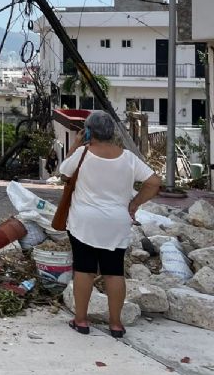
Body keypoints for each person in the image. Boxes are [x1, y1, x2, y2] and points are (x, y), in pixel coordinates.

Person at [59, 110, 161, 338]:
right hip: (117, 222)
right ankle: (116, 324)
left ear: (88, 132)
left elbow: (64, 173)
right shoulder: (127, 158)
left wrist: (75, 145)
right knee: (114, 272)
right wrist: (134, 204)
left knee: (84, 270)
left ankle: (81, 320)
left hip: (85, 222)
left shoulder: (83, 154)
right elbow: (154, 182)